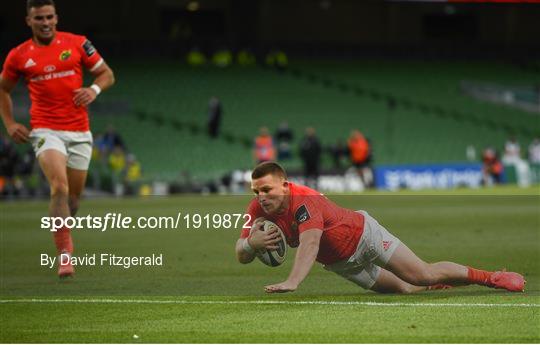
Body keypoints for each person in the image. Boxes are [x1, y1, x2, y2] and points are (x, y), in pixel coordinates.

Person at [235, 161, 525, 294]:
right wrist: (251, 244)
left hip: (364, 236)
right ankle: (433, 284)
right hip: (343, 264)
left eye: (267, 190)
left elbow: (310, 244)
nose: (261, 197)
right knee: (406, 289)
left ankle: (491, 278)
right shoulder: (255, 209)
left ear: (285, 186)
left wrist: (293, 281)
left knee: (422, 273)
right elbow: (240, 251)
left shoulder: (304, 201)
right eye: (256, 192)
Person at [0, 0, 115, 277]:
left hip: (79, 132)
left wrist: (93, 90)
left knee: (72, 201)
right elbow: (3, 89)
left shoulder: (77, 43)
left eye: (49, 17)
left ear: (56, 18)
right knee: (59, 188)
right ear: (28, 20)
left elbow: (106, 74)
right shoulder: (18, 55)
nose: (45, 22)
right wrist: (10, 122)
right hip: (44, 130)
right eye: (39, 18)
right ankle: (65, 255)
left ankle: (62, 231)